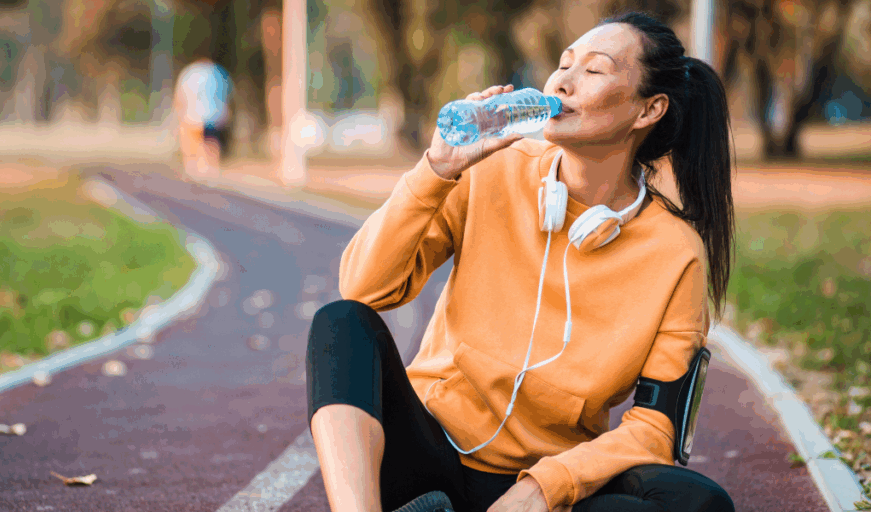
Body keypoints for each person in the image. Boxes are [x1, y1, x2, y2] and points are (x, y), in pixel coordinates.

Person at [306, 11, 737, 512]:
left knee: (700, 502)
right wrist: (435, 172)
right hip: (427, 456)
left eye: (593, 71)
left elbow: (654, 429)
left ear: (648, 110)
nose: (562, 82)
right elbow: (364, 288)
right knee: (340, 324)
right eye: (563, 65)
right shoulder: (493, 169)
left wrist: (541, 489)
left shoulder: (675, 253)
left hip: (543, 486)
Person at [174, 58, 232, 180]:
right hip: (217, 114)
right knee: (212, 141)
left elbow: (181, 94)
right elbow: (228, 94)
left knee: (192, 140)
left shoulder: (190, 72)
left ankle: (192, 167)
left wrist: (179, 112)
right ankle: (212, 168)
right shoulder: (219, 72)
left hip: (193, 115)